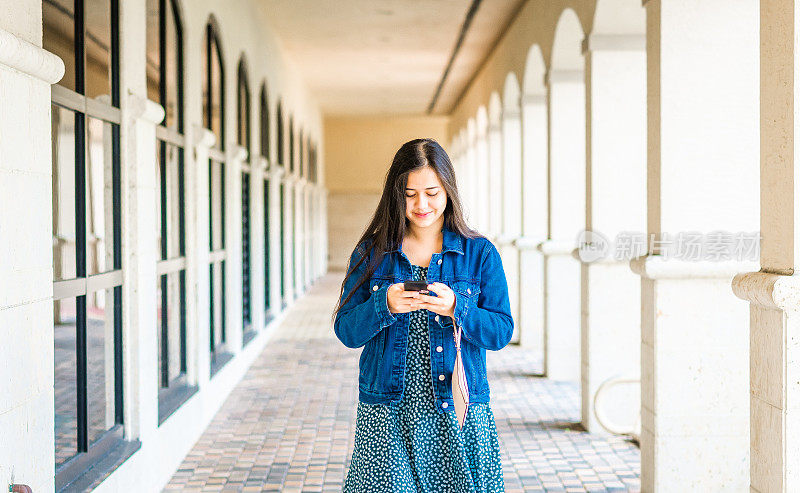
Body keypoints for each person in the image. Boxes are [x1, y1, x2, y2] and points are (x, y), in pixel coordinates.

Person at [332, 137, 513, 492]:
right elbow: (347, 331)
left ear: (448, 190)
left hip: (457, 412)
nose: (421, 204)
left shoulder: (479, 254)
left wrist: (457, 309)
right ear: (395, 195)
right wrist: (383, 304)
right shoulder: (372, 253)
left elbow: (501, 331)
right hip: (387, 413)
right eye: (410, 194)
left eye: (431, 192)